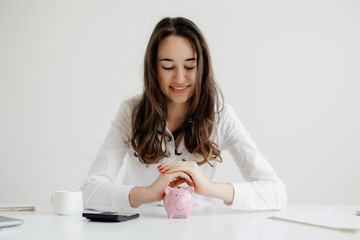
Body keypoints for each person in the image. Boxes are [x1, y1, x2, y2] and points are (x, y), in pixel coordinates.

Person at [81, 17, 287, 213]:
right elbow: (89, 191)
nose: (180, 78)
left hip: (199, 229)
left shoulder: (222, 116)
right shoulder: (131, 113)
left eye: (190, 66)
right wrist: (148, 193)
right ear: (154, 68)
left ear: (202, 66)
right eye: (168, 66)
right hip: (139, 227)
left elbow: (276, 193)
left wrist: (208, 187)